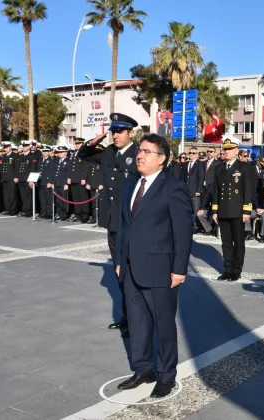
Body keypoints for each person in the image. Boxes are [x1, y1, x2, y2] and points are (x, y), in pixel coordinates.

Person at [115, 133, 192, 399]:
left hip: (161, 268)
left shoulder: (174, 187)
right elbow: (124, 226)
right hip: (130, 267)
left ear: (162, 159)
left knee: (164, 324)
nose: (140, 155)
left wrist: (180, 269)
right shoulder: (130, 184)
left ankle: (166, 375)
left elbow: (183, 232)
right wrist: (119, 260)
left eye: (147, 151)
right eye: (140, 150)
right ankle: (143, 368)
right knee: (137, 323)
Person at [77, 113, 140, 336]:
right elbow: (83, 155)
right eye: (113, 132)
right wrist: (92, 142)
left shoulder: (139, 153)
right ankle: (126, 316)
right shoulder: (108, 153)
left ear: (131, 133)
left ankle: (136, 320)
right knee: (120, 272)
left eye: (120, 132)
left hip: (132, 222)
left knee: (134, 273)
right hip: (113, 222)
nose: (115, 136)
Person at [198, 136, 255, 280]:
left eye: (230, 149)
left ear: (237, 150)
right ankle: (227, 269)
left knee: (238, 242)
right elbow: (216, 190)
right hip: (223, 210)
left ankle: (236, 270)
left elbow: (248, 190)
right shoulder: (219, 168)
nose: (227, 152)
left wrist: (247, 210)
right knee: (226, 243)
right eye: (225, 149)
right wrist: (215, 211)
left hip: (238, 210)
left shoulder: (244, 167)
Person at [183, 147, 206, 233]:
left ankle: (195, 227)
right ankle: (188, 225)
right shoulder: (186, 164)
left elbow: (201, 178)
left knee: (195, 210)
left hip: (195, 191)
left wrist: (198, 190)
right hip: (186, 191)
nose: (191, 155)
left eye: (193, 153)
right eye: (190, 153)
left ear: (196, 154)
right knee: (187, 210)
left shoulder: (199, 164)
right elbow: (184, 178)